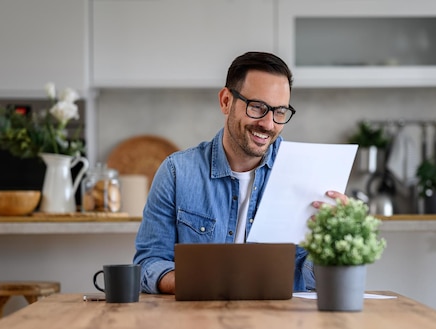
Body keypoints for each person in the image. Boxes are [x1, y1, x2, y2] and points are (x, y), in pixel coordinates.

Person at [133, 51, 348, 294]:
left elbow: (312, 284)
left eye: (279, 111)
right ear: (226, 101)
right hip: (199, 322)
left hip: (283, 324)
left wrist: (336, 242)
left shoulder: (308, 174)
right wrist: (202, 282)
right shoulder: (177, 173)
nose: (268, 124)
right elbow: (147, 263)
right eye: (257, 107)